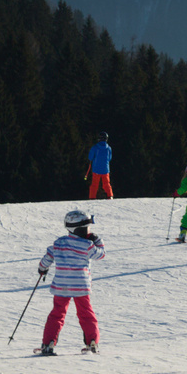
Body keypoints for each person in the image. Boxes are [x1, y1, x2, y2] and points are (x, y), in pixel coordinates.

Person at [36, 209, 106, 354]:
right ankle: (92, 342)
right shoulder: (88, 245)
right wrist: (97, 240)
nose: (89, 231)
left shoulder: (59, 243)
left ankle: (48, 344)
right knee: (86, 313)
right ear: (79, 229)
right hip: (81, 286)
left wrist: (42, 268)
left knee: (57, 314)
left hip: (61, 286)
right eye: (87, 228)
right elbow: (101, 255)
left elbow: (48, 256)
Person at [85, 132, 114, 199]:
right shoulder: (109, 148)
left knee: (94, 185)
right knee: (106, 184)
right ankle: (110, 196)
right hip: (105, 170)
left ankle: (92, 197)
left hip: (96, 170)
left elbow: (90, 157)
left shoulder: (95, 147)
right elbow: (109, 158)